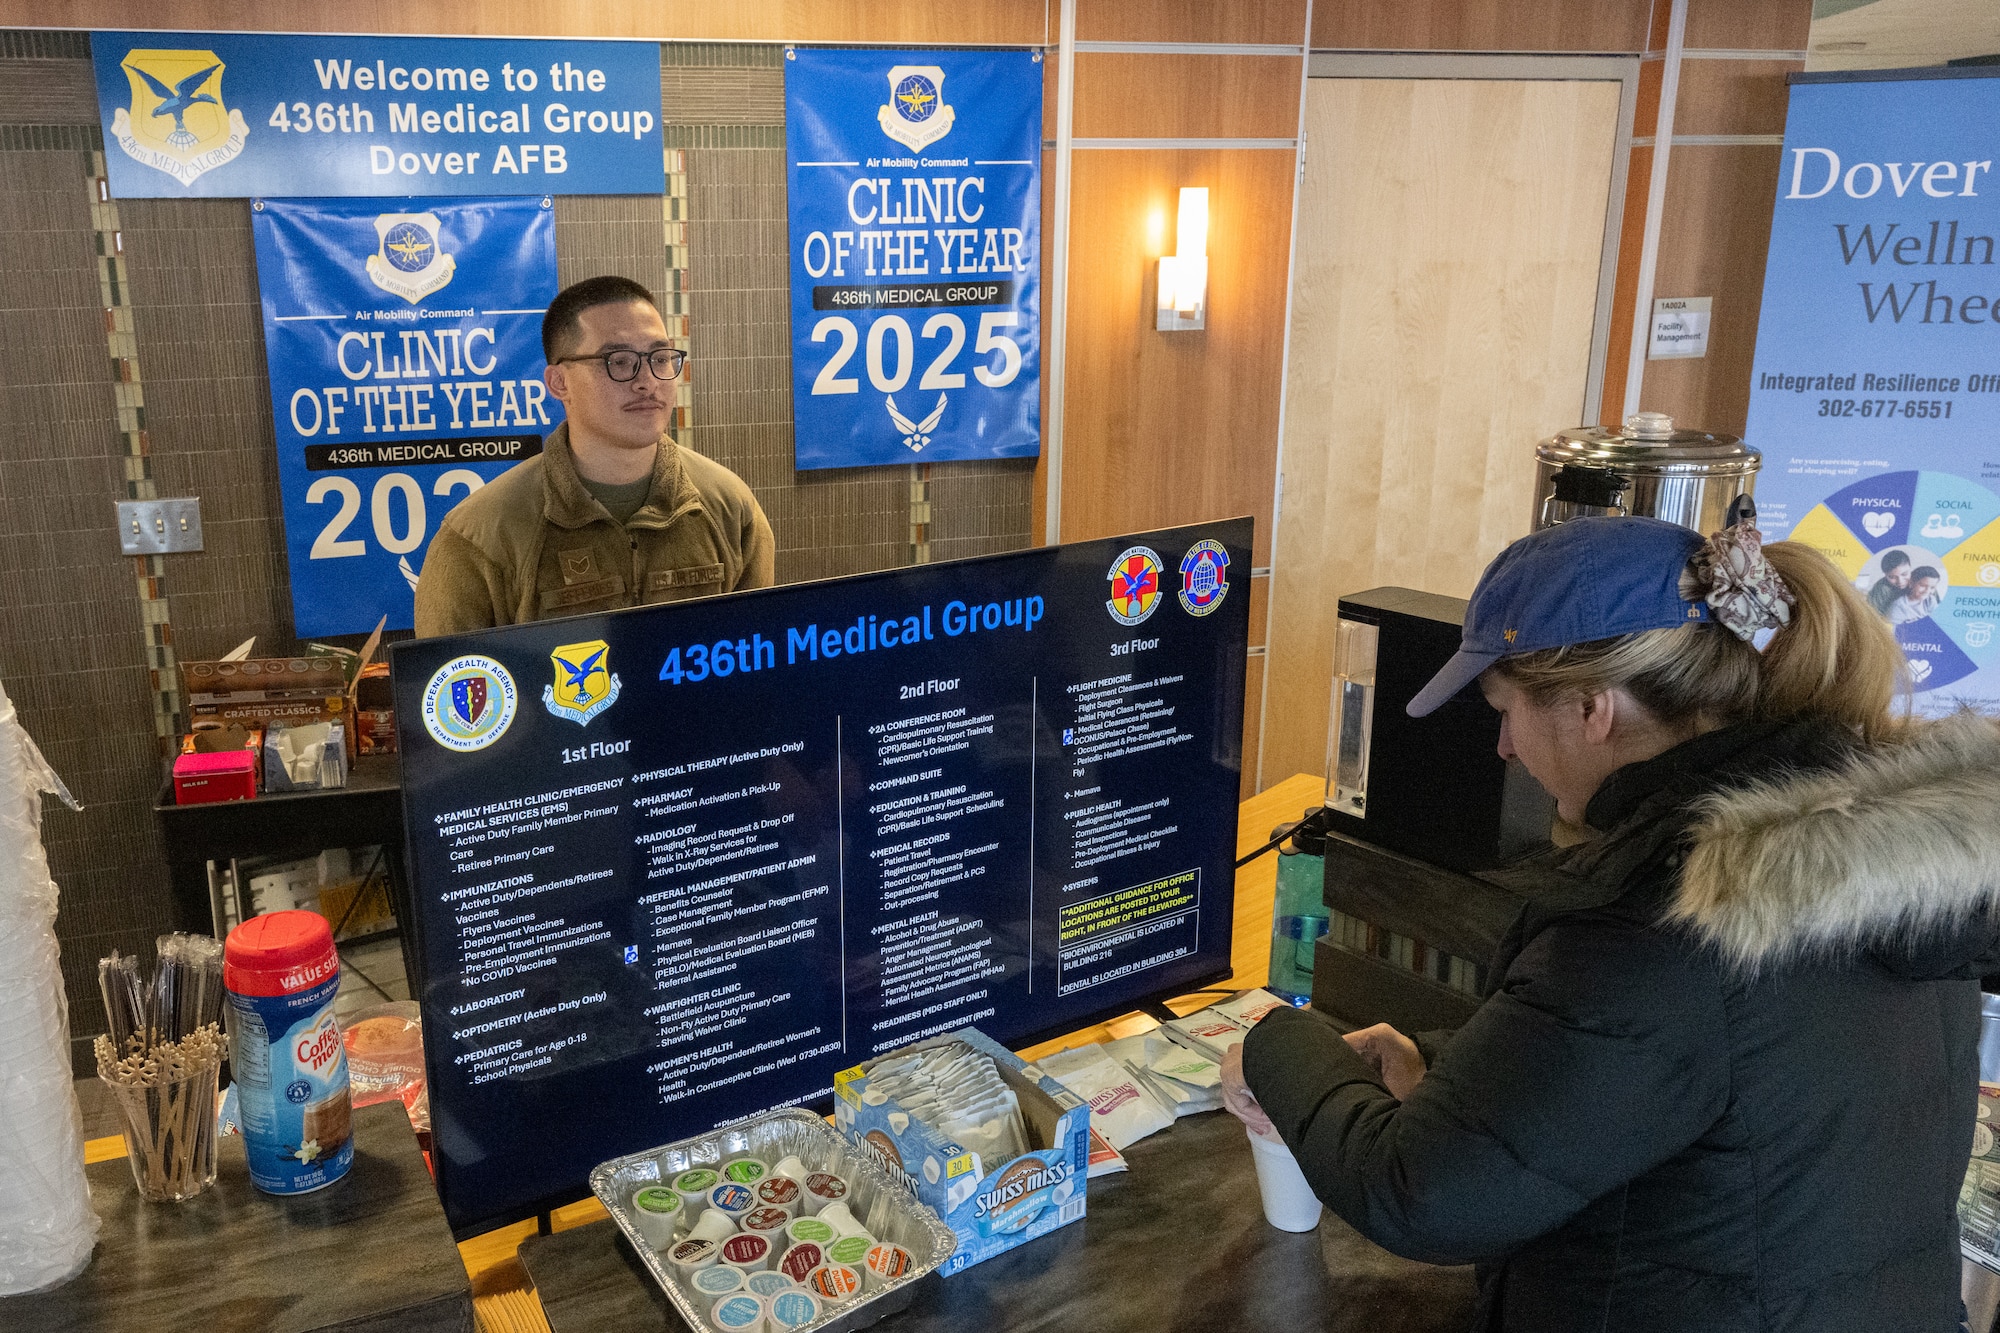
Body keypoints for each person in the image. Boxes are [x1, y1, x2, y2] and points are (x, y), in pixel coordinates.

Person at [1220, 512, 2000, 1331]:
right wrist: (1447, 1071)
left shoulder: (1671, 921)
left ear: (1593, 707)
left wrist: (1277, 1041)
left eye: (1505, 709)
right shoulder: (1884, 863)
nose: (1504, 749)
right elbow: (1707, 1081)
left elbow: (1421, 1193)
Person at [415, 275, 774, 636]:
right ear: (559, 383)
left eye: (660, 358)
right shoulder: (480, 538)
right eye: (618, 361)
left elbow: (757, 660)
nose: (647, 381)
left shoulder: (729, 507)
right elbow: (451, 686)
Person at [1867, 547, 1911, 616]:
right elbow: (1872, 614)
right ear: (1885, 575)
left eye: (1904, 574)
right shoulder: (1881, 588)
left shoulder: (1919, 581)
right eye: (1892, 577)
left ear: (1910, 568)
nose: (1900, 581)